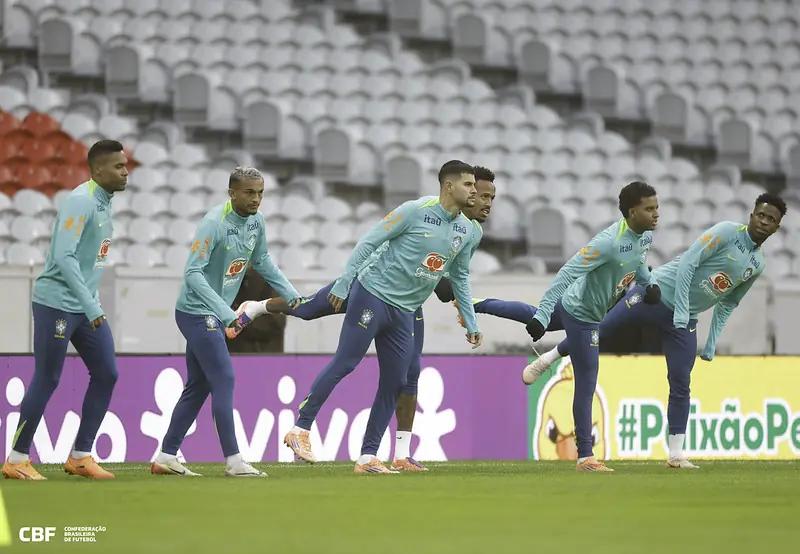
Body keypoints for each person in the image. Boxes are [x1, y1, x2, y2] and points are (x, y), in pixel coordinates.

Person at [237, 166, 496, 471]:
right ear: (449, 187)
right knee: (344, 358)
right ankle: (300, 429)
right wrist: (346, 282)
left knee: (396, 380)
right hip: (371, 291)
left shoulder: (469, 231)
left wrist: (471, 320)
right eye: (469, 186)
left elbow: (460, 277)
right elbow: (369, 242)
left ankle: (368, 456)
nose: (476, 194)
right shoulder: (414, 211)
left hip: (405, 308)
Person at [524, 193, 785, 469]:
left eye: (771, 220)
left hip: (685, 319)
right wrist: (682, 307)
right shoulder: (726, 232)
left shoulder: (757, 264)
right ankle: (550, 356)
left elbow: (729, 302)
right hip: (655, 294)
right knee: (600, 330)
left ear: (777, 227)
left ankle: (675, 454)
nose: (764, 222)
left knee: (681, 380)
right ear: (752, 215)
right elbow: (688, 264)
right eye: (761, 215)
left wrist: (711, 341)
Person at [150, 167, 302, 478]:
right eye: (249, 192)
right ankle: (234, 461)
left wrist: (292, 294)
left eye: (260, 193)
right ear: (231, 192)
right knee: (224, 377)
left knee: (199, 385)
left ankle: (166, 455)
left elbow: (261, 261)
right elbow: (193, 273)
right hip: (195, 311)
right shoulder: (213, 223)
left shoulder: (257, 222)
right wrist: (226, 313)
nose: (256, 199)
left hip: (214, 313)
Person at [2, 140, 128, 480]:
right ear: (97, 170)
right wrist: (91, 305)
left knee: (107, 373)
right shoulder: (80, 201)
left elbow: (90, 261)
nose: (125, 171)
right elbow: (63, 256)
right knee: (48, 378)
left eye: (125, 164)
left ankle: (81, 456)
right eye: (118, 166)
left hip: (86, 306)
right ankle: (15, 458)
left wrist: (92, 301)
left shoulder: (103, 203)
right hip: (56, 303)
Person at [522, 181, 660, 472]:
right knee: (586, 382)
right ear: (633, 212)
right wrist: (545, 312)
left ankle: (475, 303)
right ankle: (585, 456)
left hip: (584, 308)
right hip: (584, 316)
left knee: (526, 314)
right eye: (650, 209)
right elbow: (566, 273)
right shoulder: (607, 242)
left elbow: (639, 263)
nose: (656, 214)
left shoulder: (644, 236)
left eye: (657, 207)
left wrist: (648, 284)